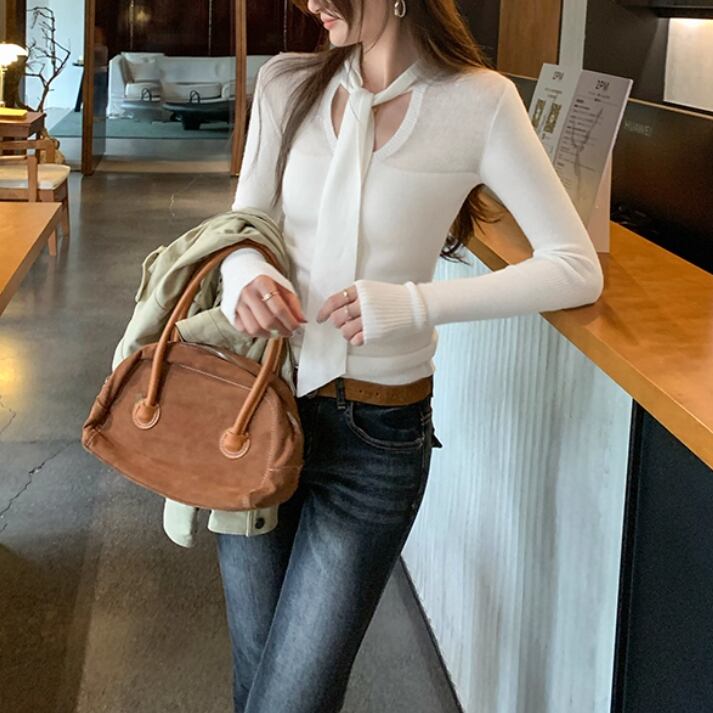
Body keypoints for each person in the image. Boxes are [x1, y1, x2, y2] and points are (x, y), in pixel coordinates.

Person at [215, 1, 605, 711]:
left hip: (376, 436)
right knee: (255, 677)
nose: (310, 2)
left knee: (292, 697)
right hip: (260, 405)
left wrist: (416, 305)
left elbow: (574, 267)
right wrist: (245, 273)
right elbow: (244, 225)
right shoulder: (285, 83)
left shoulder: (480, 102)